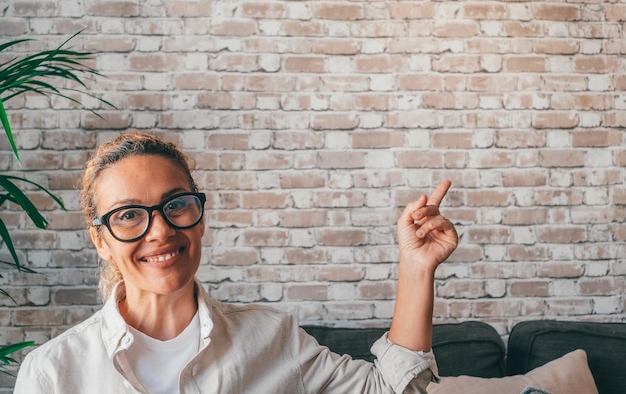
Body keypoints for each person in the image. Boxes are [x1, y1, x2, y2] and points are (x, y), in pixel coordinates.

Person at [13, 131, 458, 394]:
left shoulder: (272, 337)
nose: (161, 230)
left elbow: (389, 391)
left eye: (177, 205)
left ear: (199, 218)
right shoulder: (53, 372)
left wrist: (417, 267)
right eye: (129, 215)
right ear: (101, 240)